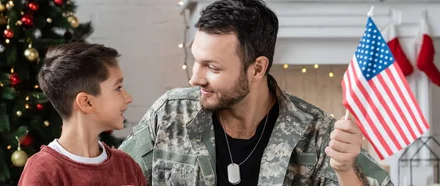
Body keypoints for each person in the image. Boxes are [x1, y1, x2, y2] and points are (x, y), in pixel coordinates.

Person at [118, 0, 393, 185]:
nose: (195, 78)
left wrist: (346, 171)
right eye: (196, 61)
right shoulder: (169, 113)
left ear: (257, 68)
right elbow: (112, 176)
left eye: (212, 67)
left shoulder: (317, 132)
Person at [18, 42, 146, 186]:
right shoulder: (44, 170)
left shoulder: (126, 165)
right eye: (118, 88)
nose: (128, 98)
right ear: (86, 102)